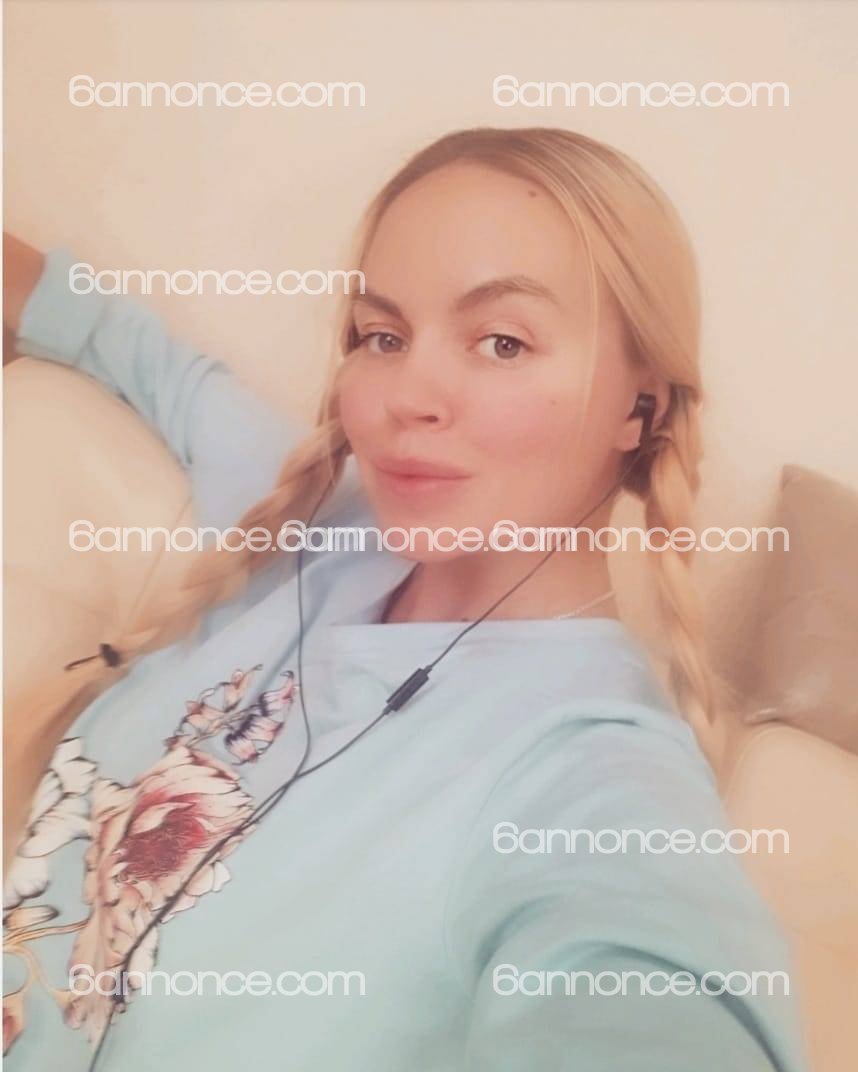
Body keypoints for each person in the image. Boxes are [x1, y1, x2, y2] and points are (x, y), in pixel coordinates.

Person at [2, 127, 806, 1070]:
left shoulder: (597, 778)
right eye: (381, 336)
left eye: (502, 342)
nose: (405, 396)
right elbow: (122, 341)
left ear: (642, 406)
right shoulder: (315, 519)